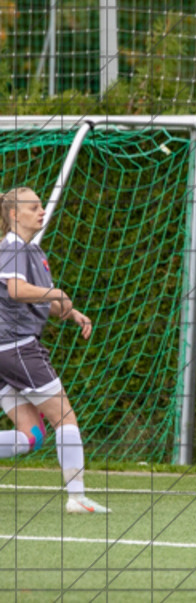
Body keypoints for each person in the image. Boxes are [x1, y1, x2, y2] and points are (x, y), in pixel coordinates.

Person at [0, 187, 109, 514]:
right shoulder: (13, 249)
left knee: (31, 436)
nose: (41, 211)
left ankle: (77, 495)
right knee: (65, 416)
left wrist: (69, 311)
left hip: (5, 351)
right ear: (15, 215)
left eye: (40, 206)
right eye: (33, 207)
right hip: (16, 349)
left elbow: (33, 298)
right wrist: (55, 291)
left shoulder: (30, 251)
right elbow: (17, 290)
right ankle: (76, 497)